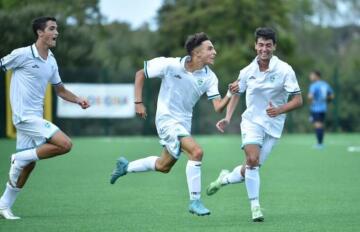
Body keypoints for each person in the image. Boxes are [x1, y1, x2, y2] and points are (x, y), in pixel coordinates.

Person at [110, 32, 236, 216]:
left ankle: (125, 167)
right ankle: (195, 201)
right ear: (196, 53)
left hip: (183, 123)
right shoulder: (170, 64)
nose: (214, 52)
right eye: (210, 48)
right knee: (197, 152)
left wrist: (230, 94)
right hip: (166, 119)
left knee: (163, 166)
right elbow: (140, 74)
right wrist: (138, 102)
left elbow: (218, 107)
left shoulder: (210, 77)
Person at [206, 27, 303, 222]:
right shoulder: (246, 71)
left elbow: (298, 100)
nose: (264, 49)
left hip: (274, 126)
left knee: (250, 167)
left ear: (274, 46)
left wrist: (279, 110)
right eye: (261, 45)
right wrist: (228, 117)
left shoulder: (285, 70)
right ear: (255, 46)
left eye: (268, 45)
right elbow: (235, 93)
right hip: (251, 122)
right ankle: (255, 207)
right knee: (252, 160)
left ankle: (224, 178)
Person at [0, 16, 90, 220]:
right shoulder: (22, 54)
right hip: (24, 117)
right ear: (40, 33)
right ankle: (18, 158)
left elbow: (60, 90)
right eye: (52, 29)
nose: (56, 33)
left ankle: (3, 204)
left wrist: (78, 100)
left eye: (57, 29)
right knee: (65, 144)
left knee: (29, 165)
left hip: (35, 117)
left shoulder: (51, 60)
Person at [308, 70, 334, 149]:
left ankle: (319, 144)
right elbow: (332, 96)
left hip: (316, 108)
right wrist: (325, 101)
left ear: (316, 76)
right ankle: (321, 143)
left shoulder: (314, 85)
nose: (310, 77)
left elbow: (310, 97)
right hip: (323, 108)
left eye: (312, 75)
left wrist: (311, 102)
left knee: (317, 125)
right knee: (320, 125)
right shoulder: (325, 84)